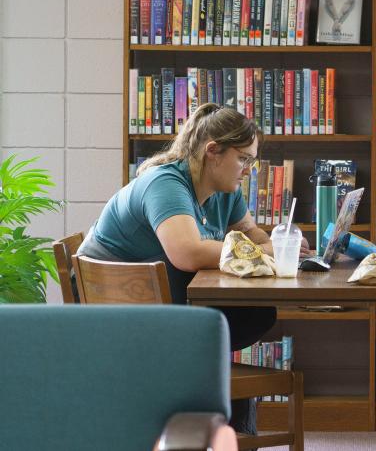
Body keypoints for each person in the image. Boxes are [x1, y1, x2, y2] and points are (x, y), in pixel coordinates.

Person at [78, 103, 309, 434]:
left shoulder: (223, 190)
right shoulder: (166, 183)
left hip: (163, 305)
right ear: (213, 152)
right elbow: (186, 252)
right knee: (241, 320)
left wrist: (275, 243)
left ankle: (221, 432)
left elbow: (252, 233)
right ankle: (216, 430)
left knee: (254, 313)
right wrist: (265, 252)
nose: (248, 169)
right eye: (243, 159)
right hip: (120, 313)